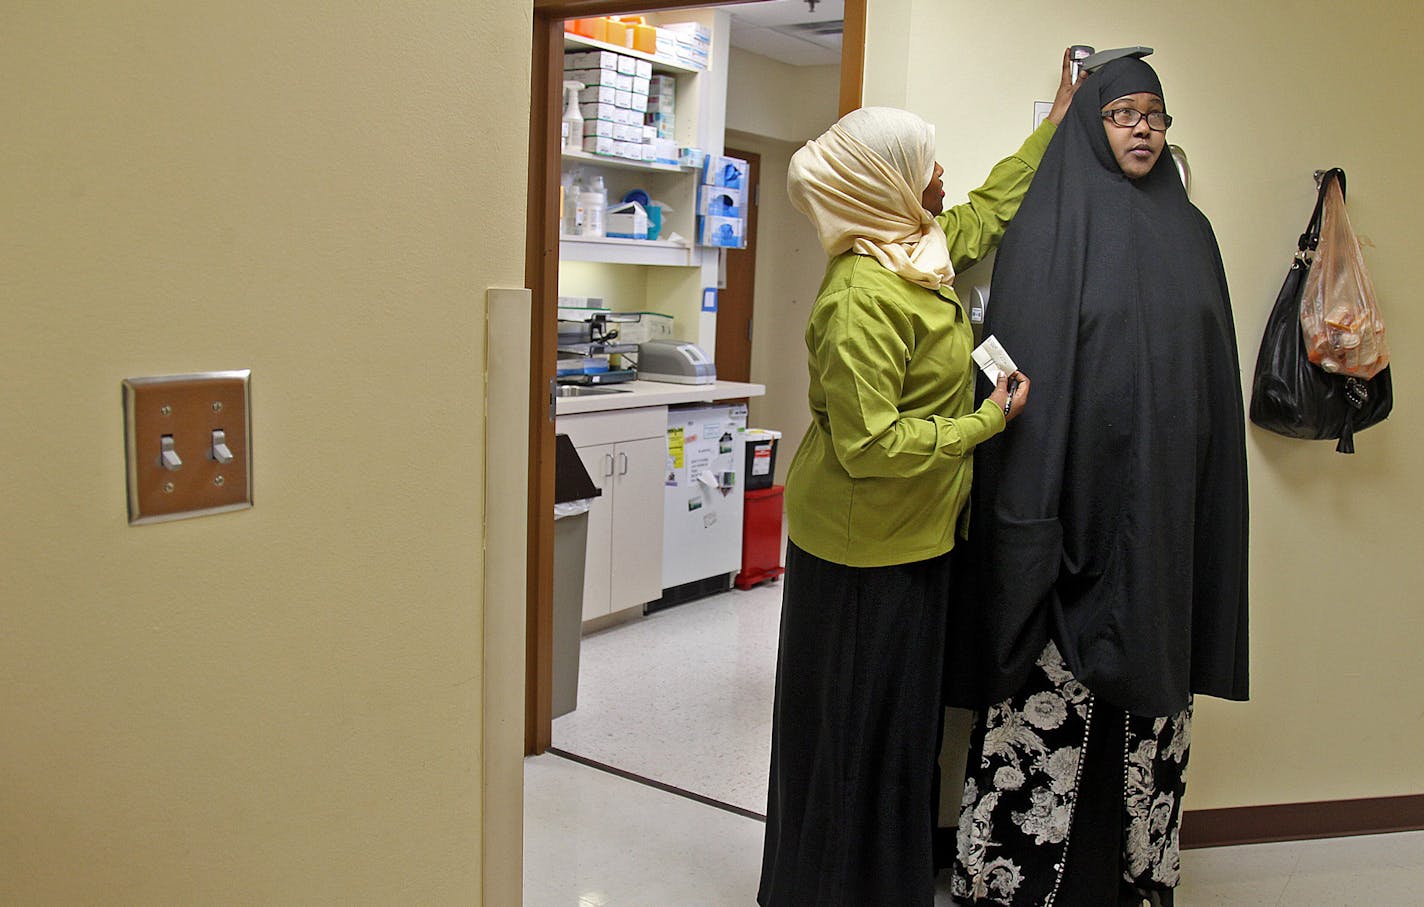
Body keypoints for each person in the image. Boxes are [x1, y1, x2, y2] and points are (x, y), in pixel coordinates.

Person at [757, 52, 1080, 907]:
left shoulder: (917, 248)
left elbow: (987, 210)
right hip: (860, 553)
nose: (941, 175)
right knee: (851, 736)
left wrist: (1052, 123)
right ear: (883, 184)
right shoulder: (861, 296)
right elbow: (870, 446)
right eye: (926, 164)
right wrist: (987, 421)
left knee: (898, 736)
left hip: (917, 537)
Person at [945, 56, 1249, 907]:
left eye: (1156, 113)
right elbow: (1023, 380)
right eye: (1122, 112)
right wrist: (1038, 511)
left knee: (1146, 695)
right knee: (1046, 696)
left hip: (1158, 516)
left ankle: (1134, 875)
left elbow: (1207, 380)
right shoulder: (1047, 223)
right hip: (1064, 514)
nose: (1144, 127)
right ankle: (1015, 880)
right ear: (1090, 125)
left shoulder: (1193, 233)